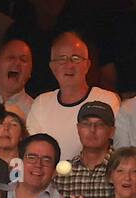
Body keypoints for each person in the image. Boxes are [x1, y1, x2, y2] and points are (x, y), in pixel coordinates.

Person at [22, 32, 119, 163]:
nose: (69, 65)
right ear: (52, 67)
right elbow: (31, 152)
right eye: (62, 59)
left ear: (87, 65)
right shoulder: (41, 103)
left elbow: (113, 150)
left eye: (75, 58)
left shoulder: (106, 99)